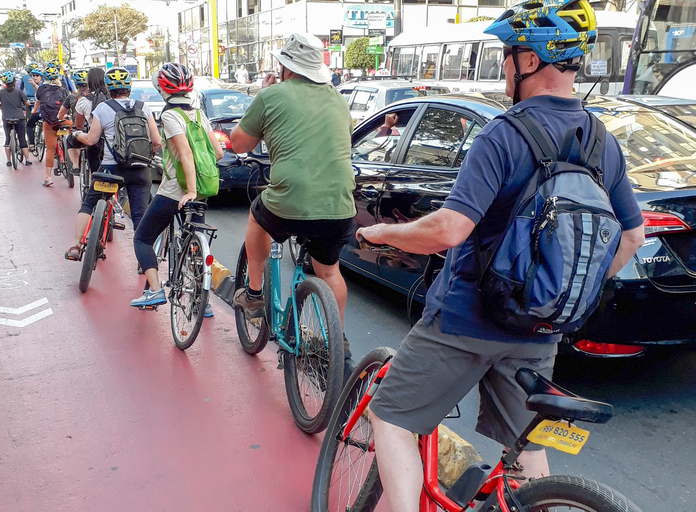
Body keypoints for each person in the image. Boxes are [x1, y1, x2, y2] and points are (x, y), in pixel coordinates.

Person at [354, 2, 646, 511]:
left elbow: (449, 229)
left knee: (391, 419)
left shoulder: (504, 134)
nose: (504, 65)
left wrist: (385, 232)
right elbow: (632, 238)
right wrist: (562, 299)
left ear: (530, 62)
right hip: (541, 328)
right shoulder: (603, 141)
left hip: (467, 321)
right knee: (528, 448)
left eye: (508, 55)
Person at [230, 33, 357, 374]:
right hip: (340, 202)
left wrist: (264, 95)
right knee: (329, 270)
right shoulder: (337, 100)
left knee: (258, 218)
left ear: (285, 67)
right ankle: (337, 341)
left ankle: (254, 293)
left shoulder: (272, 95)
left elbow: (239, 143)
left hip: (289, 199)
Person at [130, 63, 224, 309]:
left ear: (161, 89)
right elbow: (218, 152)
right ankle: (202, 303)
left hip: (175, 192)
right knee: (192, 243)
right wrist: (196, 189)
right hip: (202, 191)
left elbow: (184, 154)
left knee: (141, 238)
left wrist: (189, 190)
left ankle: (154, 290)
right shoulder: (199, 114)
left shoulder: (170, 115)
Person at [64, 66, 161, 261]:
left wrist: (77, 135)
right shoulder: (144, 107)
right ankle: (145, 261)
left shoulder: (103, 108)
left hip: (111, 169)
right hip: (140, 170)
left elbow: (91, 140)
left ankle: (76, 246)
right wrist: (144, 157)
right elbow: (157, 141)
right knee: (140, 215)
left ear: (108, 88)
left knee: (89, 203)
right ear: (129, 88)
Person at [36, 64, 70, 187]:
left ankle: (47, 178)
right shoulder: (63, 90)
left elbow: (38, 103)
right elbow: (68, 106)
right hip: (63, 121)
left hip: (49, 123)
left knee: (50, 149)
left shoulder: (41, 89)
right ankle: (73, 161)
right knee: (71, 134)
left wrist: (35, 112)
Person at [72, 67, 109, 174]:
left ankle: (95, 178)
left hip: (96, 140)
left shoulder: (83, 100)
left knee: (92, 153)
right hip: (115, 139)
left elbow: (79, 125)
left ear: (88, 81)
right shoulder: (112, 97)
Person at [0, 71, 32, 167]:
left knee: (7, 139)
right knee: (22, 139)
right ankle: (27, 160)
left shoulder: (1, 92)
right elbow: (27, 103)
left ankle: (9, 161)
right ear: (14, 82)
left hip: (6, 118)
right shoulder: (19, 92)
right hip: (19, 117)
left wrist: (0, 105)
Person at [59, 68, 89, 170]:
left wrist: (61, 117)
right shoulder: (95, 97)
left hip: (80, 132)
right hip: (94, 133)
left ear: (75, 84)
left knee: (70, 142)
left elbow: (60, 114)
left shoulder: (72, 97)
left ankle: (75, 166)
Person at [25, 68, 45, 151]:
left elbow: (40, 91)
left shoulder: (41, 85)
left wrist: (33, 84)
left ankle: (32, 144)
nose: (35, 77)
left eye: (37, 76)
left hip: (42, 112)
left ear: (41, 77)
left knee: (29, 125)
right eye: (33, 75)